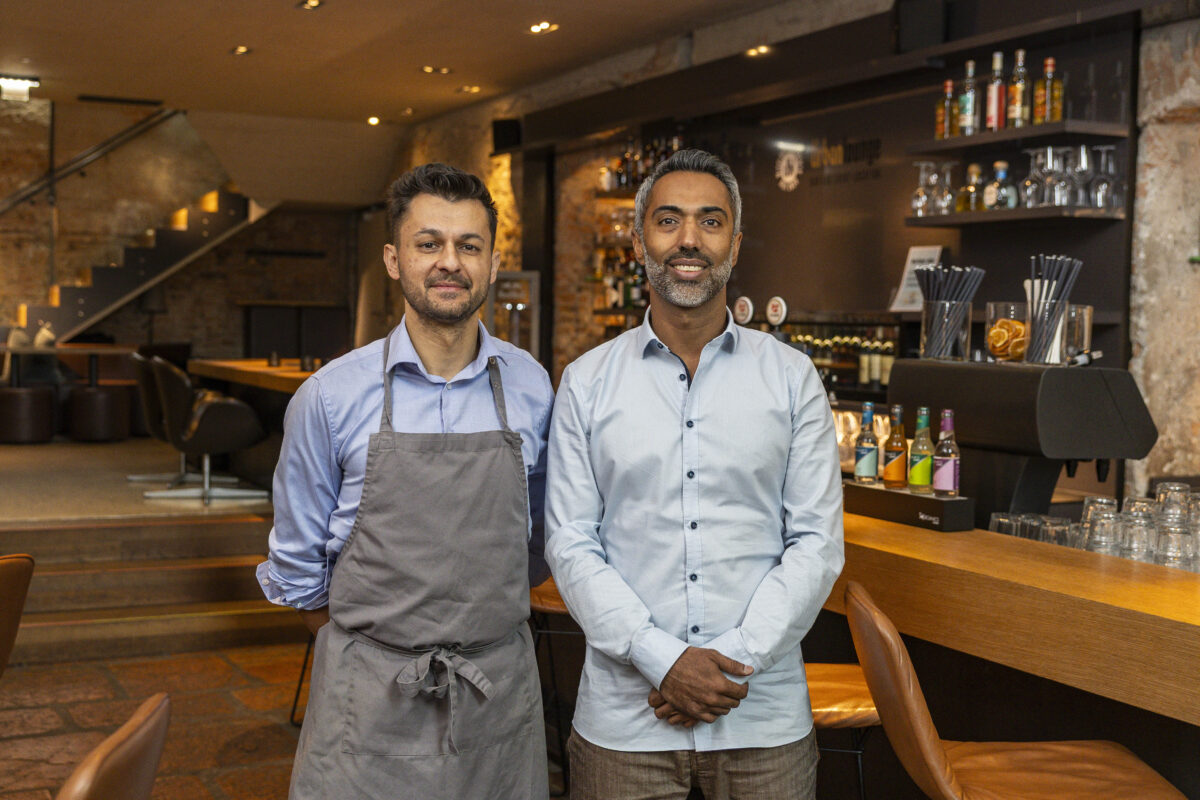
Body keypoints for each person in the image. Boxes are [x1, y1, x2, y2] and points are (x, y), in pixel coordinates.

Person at [545, 149, 844, 800]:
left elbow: (816, 544)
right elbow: (570, 543)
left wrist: (729, 665)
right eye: (668, 220)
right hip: (626, 726)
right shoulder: (586, 384)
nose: (689, 240)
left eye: (710, 221)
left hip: (761, 723)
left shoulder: (791, 378)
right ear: (638, 242)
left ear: (734, 244)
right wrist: (663, 660)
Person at [258, 162, 552, 800]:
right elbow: (298, 567)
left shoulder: (532, 386)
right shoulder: (330, 397)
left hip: (498, 697)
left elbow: (535, 541)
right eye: (428, 243)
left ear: (492, 263)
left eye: (468, 245)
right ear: (394, 260)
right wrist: (371, 653)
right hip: (367, 706)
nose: (450, 262)